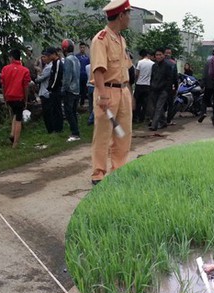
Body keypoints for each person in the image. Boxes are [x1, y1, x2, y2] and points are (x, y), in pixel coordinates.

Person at [89, 0, 133, 185]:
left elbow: (125, 69)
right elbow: (98, 70)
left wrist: (130, 93)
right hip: (106, 90)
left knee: (124, 133)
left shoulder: (121, 39)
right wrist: (102, 95)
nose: (130, 18)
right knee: (103, 134)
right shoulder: (101, 39)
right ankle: (98, 173)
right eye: (128, 14)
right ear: (121, 15)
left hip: (123, 91)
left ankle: (119, 169)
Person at [1, 48, 31, 148]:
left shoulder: (5, 69)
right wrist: (26, 100)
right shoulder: (25, 70)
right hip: (19, 98)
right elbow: (26, 86)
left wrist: (5, 97)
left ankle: (12, 134)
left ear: (12, 58)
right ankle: (15, 143)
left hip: (9, 97)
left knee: (14, 113)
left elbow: (3, 85)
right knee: (18, 118)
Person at [61, 39, 81, 142]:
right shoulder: (76, 59)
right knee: (73, 112)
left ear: (64, 49)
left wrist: (63, 89)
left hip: (70, 90)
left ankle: (75, 133)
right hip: (77, 89)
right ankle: (76, 131)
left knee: (69, 113)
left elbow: (67, 77)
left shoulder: (68, 60)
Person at [149, 48, 170, 131]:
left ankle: (154, 125)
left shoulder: (167, 66)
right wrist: (151, 86)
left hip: (163, 90)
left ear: (164, 55)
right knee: (156, 107)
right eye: (157, 55)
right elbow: (152, 77)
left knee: (158, 107)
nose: (158, 56)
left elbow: (169, 79)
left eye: (160, 55)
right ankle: (163, 122)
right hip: (154, 89)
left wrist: (166, 90)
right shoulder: (154, 66)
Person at [198, 46, 214, 123]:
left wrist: (202, 84)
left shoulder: (208, 62)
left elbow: (204, 74)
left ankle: (203, 113)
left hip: (209, 85)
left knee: (205, 100)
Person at [35, 49, 54, 133]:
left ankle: (50, 129)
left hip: (45, 92)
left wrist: (38, 71)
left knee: (47, 113)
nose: (43, 59)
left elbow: (39, 79)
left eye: (44, 57)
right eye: (42, 57)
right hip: (47, 92)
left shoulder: (48, 68)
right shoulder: (49, 66)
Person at [133, 49, 153, 124]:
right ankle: (142, 118)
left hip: (139, 84)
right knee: (145, 103)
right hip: (147, 85)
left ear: (141, 56)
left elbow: (137, 74)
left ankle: (136, 117)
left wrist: (136, 82)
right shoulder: (152, 63)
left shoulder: (140, 62)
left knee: (137, 102)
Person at [47, 46, 64, 134]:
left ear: (54, 54)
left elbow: (56, 77)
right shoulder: (53, 63)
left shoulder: (57, 63)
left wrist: (51, 88)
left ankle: (59, 128)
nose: (48, 57)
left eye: (49, 55)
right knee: (54, 109)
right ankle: (56, 128)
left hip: (56, 90)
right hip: (53, 89)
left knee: (57, 109)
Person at [164, 47, 178, 125]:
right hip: (169, 87)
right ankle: (169, 120)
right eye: (167, 52)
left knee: (161, 104)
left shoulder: (159, 62)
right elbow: (175, 77)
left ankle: (160, 119)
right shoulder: (173, 63)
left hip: (161, 87)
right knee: (170, 104)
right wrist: (176, 86)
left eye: (169, 53)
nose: (168, 54)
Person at [76, 42, 90, 106]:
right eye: (81, 47)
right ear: (79, 48)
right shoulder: (76, 57)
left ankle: (82, 103)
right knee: (78, 90)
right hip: (78, 76)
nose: (82, 49)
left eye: (83, 47)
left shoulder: (87, 57)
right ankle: (76, 103)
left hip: (85, 76)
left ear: (85, 48)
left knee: (84, 90)